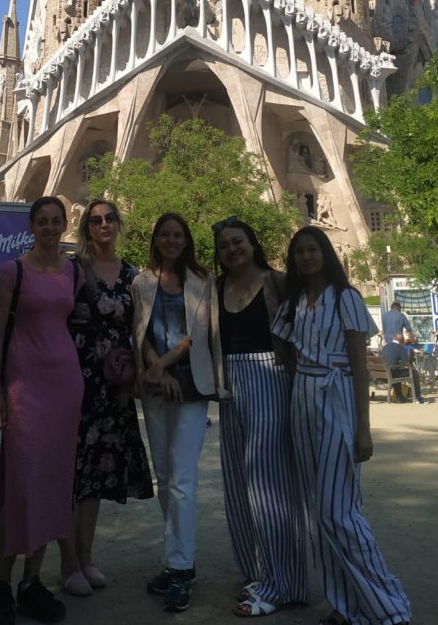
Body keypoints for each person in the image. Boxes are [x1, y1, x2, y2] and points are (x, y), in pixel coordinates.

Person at [272, 226, 411, 625]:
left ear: (326, 253)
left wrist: (363, 428)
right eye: (299, 251)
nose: (306, 257)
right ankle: (345, 604)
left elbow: (359, 364)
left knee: (339, 510)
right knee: (320, 510)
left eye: (313, 249)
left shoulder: (345, 297)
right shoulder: (296, 301)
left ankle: (388, 604)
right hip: (303, 398)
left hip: (336, 395)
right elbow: (282, 343)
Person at [0, 196, 83, 625]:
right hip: (24, 389)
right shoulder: (13, 272)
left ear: (64, 225)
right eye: (41, 221)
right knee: (18, 484)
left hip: (65, 388)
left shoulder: (73, 272)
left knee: (51, 485)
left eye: (55, 221)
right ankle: (1, 584)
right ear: (31, 226)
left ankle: (31, 582)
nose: (48, 227)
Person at [213, 218, 309, 617]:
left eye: (238, 242)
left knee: (268, 483)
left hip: (269, 375)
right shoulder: (216, 288)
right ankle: (260, 570)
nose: (232, 249)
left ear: (252, 243)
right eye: (224, 246)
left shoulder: (278, 282)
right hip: (230, 383)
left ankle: (282, 583)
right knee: (237, 482)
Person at [132, 213, 226, 614]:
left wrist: (165, 364)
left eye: (177, 235)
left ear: (186, 241)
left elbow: (199, 335)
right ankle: (179, 557)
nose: (171, 241)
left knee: (183, 479)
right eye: (164, 235)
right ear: (156, 240)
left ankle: (180, 567)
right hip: (156, 385)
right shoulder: (142, 282)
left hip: (190, 384)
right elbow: (140, 331)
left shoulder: (203, 283)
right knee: (165, 476)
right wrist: (155, 367)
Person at [58, 199, 153, 596]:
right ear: (86, 229)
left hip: (113, 383)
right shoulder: (74, 271)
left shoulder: (132, 274)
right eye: (95, 221)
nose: (103, 225)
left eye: (109, 219)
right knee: (71, 474)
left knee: (95, 475)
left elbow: (142, 328)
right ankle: (68, 564)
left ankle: (87, 557)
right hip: (75, 378)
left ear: (118, 224)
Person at [381, 332, 426, 404]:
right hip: (393, 372)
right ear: (401, 341)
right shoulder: (400, 348)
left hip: (382, 373)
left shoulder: (385, 347)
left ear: (394, 339)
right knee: (415, 373)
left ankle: (400, 397)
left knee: (395, 371)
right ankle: (418, 396)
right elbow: (406, 362)